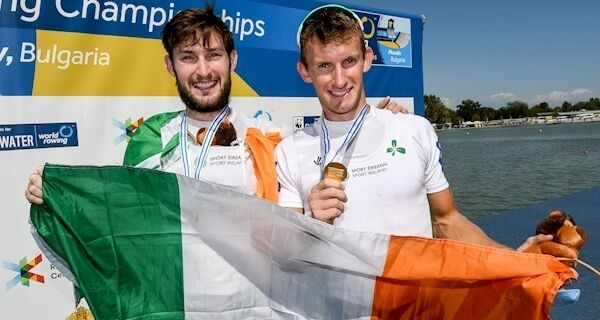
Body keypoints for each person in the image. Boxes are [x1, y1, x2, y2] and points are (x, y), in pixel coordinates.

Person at [24, 4, 405, 206]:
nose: (203, 71)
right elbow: (122, 214)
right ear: (169, 66)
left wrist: (379, 121)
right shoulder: (151, 138)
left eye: (214, 55)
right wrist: (58, 195)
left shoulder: (269, 138)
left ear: (232, 61)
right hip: (178, 304)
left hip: (250, 309)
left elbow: (314, 173)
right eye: (188, 57)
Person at [275, 4, 550, 250]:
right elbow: (286, 256)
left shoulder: (415, 130)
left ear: (367, 59)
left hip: (419, 306)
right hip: (342, 308)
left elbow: (447, 220)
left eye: (349, 61)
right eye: (324, 66)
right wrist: (309, 222)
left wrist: (515, 262)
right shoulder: (290, 151)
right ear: (304, 71)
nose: (339, 80)